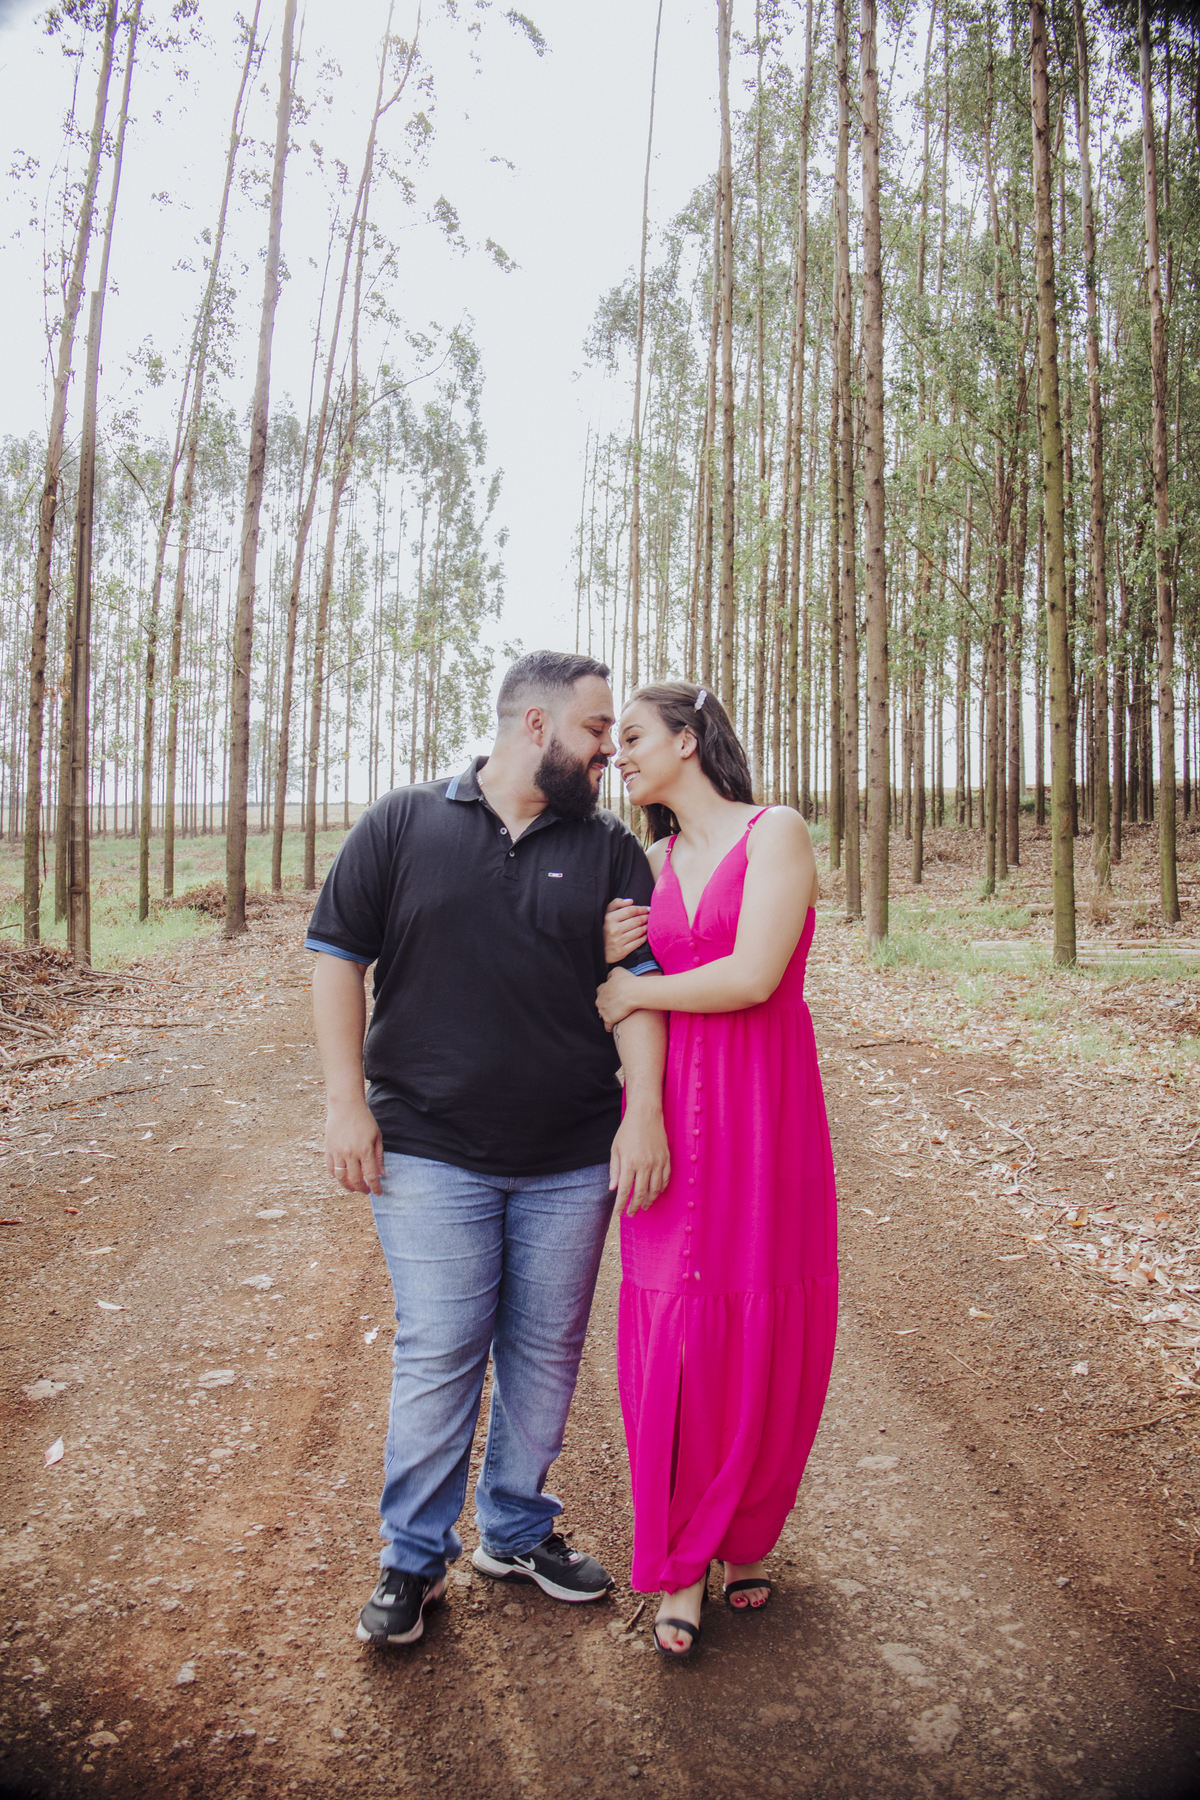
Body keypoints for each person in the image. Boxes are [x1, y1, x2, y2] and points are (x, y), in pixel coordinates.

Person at [307, 651, 669, 1648]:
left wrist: (642, 1111)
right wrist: (345, 1103)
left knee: (545, 1352)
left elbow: (637, 989)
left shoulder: (610, 850)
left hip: (571, 1153)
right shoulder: (401, 823)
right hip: (429, 1146)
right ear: (537, 725)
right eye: (596, 729)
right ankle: (412, 1560)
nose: (609, 751)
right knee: (441, 1348)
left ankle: (514, 1530)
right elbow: (336, 957)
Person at [596, 681, 837, 1659]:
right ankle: (680, 1558)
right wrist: (617, 974)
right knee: (675, 1326)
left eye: (634, 737)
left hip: (764, 1107)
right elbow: (622, 996)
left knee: (761, 1315)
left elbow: (753, 976)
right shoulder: (647, 864)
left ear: (688, 740)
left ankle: (745, 1535)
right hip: (667, 1110)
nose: (618, 755)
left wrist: (634, 986)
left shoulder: (776, 833)